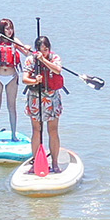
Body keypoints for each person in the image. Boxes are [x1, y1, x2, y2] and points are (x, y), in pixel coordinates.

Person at [22, 33, 66, 168]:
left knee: (52, 130)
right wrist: (35, 80)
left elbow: (58, 70)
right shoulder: (30, 60)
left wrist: (44, 60)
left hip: (51, 98)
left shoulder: (55, 58)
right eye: (40, 50)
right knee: (36, 130)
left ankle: (55, 163)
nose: (43, 52)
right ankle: (37, 162)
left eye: (46, 50)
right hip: (35, 98)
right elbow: (25, 79)